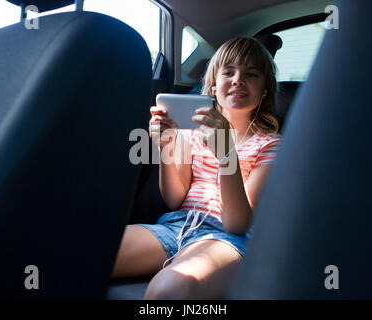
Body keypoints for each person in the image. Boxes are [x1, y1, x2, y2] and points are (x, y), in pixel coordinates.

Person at [112, 37, 281, 299]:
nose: (238, 80)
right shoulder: (189, 133)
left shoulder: (270, 145)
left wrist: (226, 152)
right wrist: (167, 145)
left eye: (251, 74)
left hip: (228, 239)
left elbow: (237, 223)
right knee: (87, 254)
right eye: (228, 72)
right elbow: (174, 199)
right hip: (176, 225)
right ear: (213, 87)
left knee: (167, 292)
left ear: (265, 91)